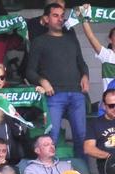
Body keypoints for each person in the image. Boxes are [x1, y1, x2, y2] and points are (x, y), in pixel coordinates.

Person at [27, 3, 89, 158]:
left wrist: (85, 76)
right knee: (51, 138)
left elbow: (81, 63)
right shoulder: (39, 41)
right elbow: (29, 72)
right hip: (53, 96)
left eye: (62, 16)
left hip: (76, 94)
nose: (60, 19)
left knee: (81, 137)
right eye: (55, 15)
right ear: (46, 19)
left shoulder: (71, 38)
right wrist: (42, 81)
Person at [84, 88, 115, 174]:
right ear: (103, 105)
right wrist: (111, 157)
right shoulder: (95, 123)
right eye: (111, 106)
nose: (114, 108)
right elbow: (88, 148)